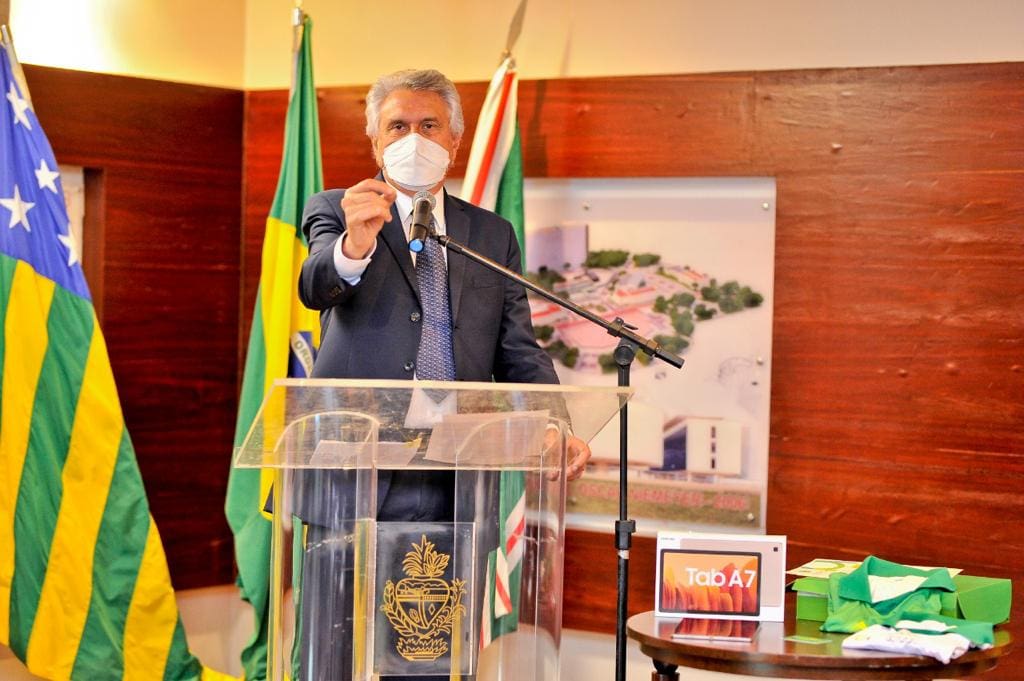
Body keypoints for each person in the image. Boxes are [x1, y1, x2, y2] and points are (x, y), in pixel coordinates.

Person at [296, 69, 590, 680]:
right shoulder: (337, 209)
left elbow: (518, 348)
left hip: (455, 478)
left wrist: (555, 425)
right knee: (334, 661)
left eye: (428, 125)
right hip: (354, 475)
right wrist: (355, 245)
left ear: (454, 140)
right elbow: (317, 285)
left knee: (428, 661)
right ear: (375, 141)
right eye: (397, 126)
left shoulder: (490, 234)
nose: (413, 138)